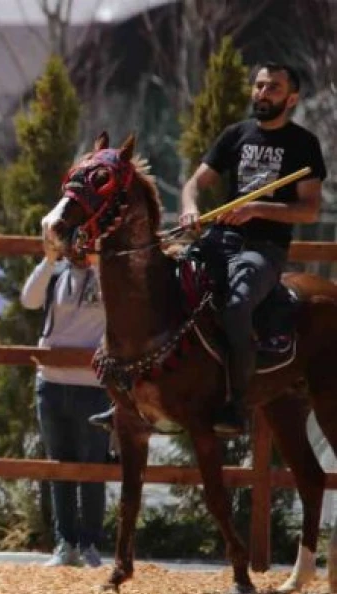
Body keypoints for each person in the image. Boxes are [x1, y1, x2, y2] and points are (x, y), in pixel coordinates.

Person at [89, 62, 327, 436]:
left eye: (274, 89)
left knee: (235, 307)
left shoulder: (303, 145)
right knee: (161, 286)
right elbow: (194, 185)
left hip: (264, 248)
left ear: (292, 98)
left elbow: (309, 209)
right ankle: (125, 398)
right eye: (260, 86)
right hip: (220, 239)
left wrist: (255, 209)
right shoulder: (235, 135)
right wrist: (190, 209)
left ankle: (236, 403)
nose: (262, 94)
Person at [22, 247, 110, 567]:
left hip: (93, 385)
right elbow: (29, 299)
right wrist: (48, 258)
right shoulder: (56, 273)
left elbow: (122, 305)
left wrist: (99, 263)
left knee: (93, 468)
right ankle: (65, 542)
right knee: (59, 466)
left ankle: (89, 543)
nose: (81, 247)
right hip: (51, 381)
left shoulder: (107, 273)